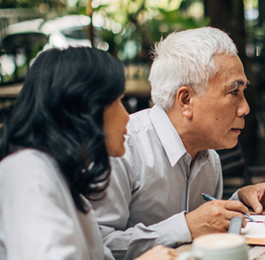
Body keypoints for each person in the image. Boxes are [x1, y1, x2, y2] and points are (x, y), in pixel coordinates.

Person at [91, 27, 265, 260]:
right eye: (234, 92)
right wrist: (185, 227)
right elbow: (98, 247)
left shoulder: (209, 157)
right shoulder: (122, 147)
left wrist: (239, 200)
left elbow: (204, 225)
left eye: (243, 92)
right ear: (186, 100)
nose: (245, 108)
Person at [0, 47, 178, 260]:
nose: (126, 116)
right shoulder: (27, 172)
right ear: (85, 109)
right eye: (117, 102)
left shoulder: (67, 180)